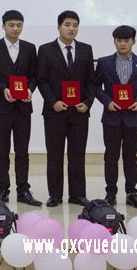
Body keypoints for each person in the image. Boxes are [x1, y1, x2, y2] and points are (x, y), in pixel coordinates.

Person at [0, 10, 42, 206]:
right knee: (3, 150)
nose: (15, 29)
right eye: (11, 25)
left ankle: (23, 190)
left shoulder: (30, 48)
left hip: (23, 107)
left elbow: (35, 76)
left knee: (23, 151)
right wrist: (3, 89)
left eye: (19, 25)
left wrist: (30, 89)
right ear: (3, 26)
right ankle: (2, 190)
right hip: (1, 107)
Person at [37, 11, 96, 207]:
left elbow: (91, 81)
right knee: (54, 154)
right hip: (55, 112)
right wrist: (53, 101)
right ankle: (55, 195)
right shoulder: (46, 50)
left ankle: (77, 194)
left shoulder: (86, 49)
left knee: (77, 154)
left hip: (79, 112)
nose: (71, 28)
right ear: (59, 26)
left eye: (75, 25)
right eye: (67, 24)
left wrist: (87, 102)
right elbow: (42, 80)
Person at [95, 25, 137, 209]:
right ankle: (110, 193)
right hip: (111, 117)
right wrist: (107, 101)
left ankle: (131, 193)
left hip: (133, 118)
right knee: (111, 156)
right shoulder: (104, 62)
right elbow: (95, 86)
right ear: (114, 41)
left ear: (133, 41)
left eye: (126, 40)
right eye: (119, 40)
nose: (122, 43)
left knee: (131, 157)